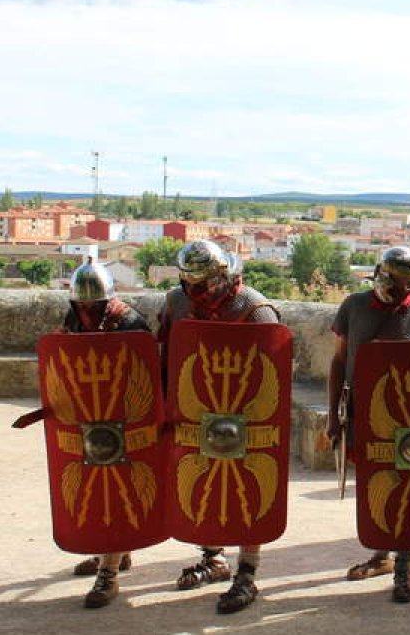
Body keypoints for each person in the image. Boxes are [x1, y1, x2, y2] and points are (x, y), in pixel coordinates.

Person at [158, 239, 281, 614]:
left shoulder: (255, 309)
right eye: (189, 283)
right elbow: (165, 353)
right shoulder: (178, 302)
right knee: (202, 485)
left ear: (223, 275)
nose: (194, 292)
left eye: (202, 284)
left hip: (246, 418)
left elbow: (273, 370)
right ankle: (212, 558)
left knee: (248, 491)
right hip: (195, 411)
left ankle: (247, 574)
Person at [324, 246, 410, 602]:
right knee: (374, 484)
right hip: (363, 412)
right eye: (401, 281)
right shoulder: (354, 306)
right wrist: (333, 416)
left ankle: (403, 569)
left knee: (406, 488)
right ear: (384, 276)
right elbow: (339, 363)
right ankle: (380, 555)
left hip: (409, 419)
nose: (407, 290)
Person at [58, 260, 151, 608]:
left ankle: (108, 573)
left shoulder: (129, 322)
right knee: (94, 492)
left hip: (125, 422)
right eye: (79, 304)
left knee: (116, 493)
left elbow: (144, 375)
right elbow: (64, 360)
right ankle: (113, 555)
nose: (83, 309)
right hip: (89, 422)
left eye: (89, 304)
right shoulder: (73, 319)